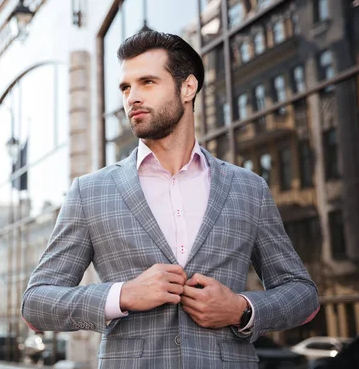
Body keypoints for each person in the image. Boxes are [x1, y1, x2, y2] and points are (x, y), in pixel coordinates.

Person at [21, 31, 319, 368]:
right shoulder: (90, 192)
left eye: (147, 82)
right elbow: (35, 304)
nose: (132, 97)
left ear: (187, 88)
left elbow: (303, 295)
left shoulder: (248, 188)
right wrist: (122, 295)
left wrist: (241, 308)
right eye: (125, 87)